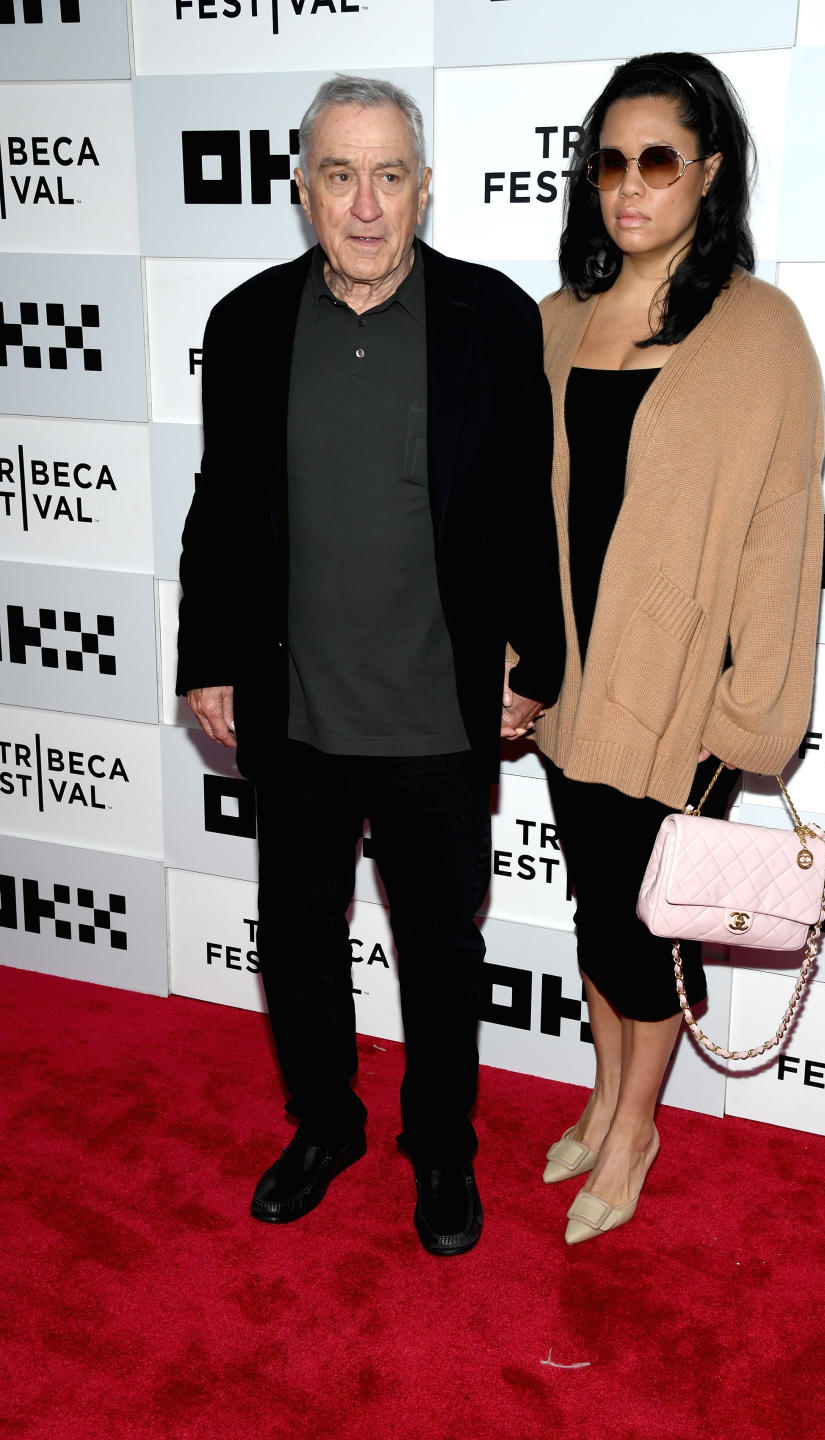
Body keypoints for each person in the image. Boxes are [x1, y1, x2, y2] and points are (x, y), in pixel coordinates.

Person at [176, 76, 564, 1257]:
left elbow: (524, 509)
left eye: (389, 173)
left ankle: (439, 1150)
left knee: (443, 952)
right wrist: (207, 657)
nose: (364, 202)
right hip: (293, 709)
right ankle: (326, 1126)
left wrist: (534, 659)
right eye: (338, 173)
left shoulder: (493, 320)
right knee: (298, 937)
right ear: (300, 188)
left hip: (440, 714)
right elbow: (220, 512)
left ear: (425, 187)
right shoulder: (245, 324)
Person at [534, 52, 824, 1244]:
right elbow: (518, 516)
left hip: (681, 700)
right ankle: (608, 1096)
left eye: (658, 159)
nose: (630, 186)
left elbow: (780, 534)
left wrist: (751, 715)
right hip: (569, 689)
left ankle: (639, 1125)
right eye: (610, 161)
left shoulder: (761, 334)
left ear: (709, 172)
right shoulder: (553, 322)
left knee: (644, 932)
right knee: (597, 916)